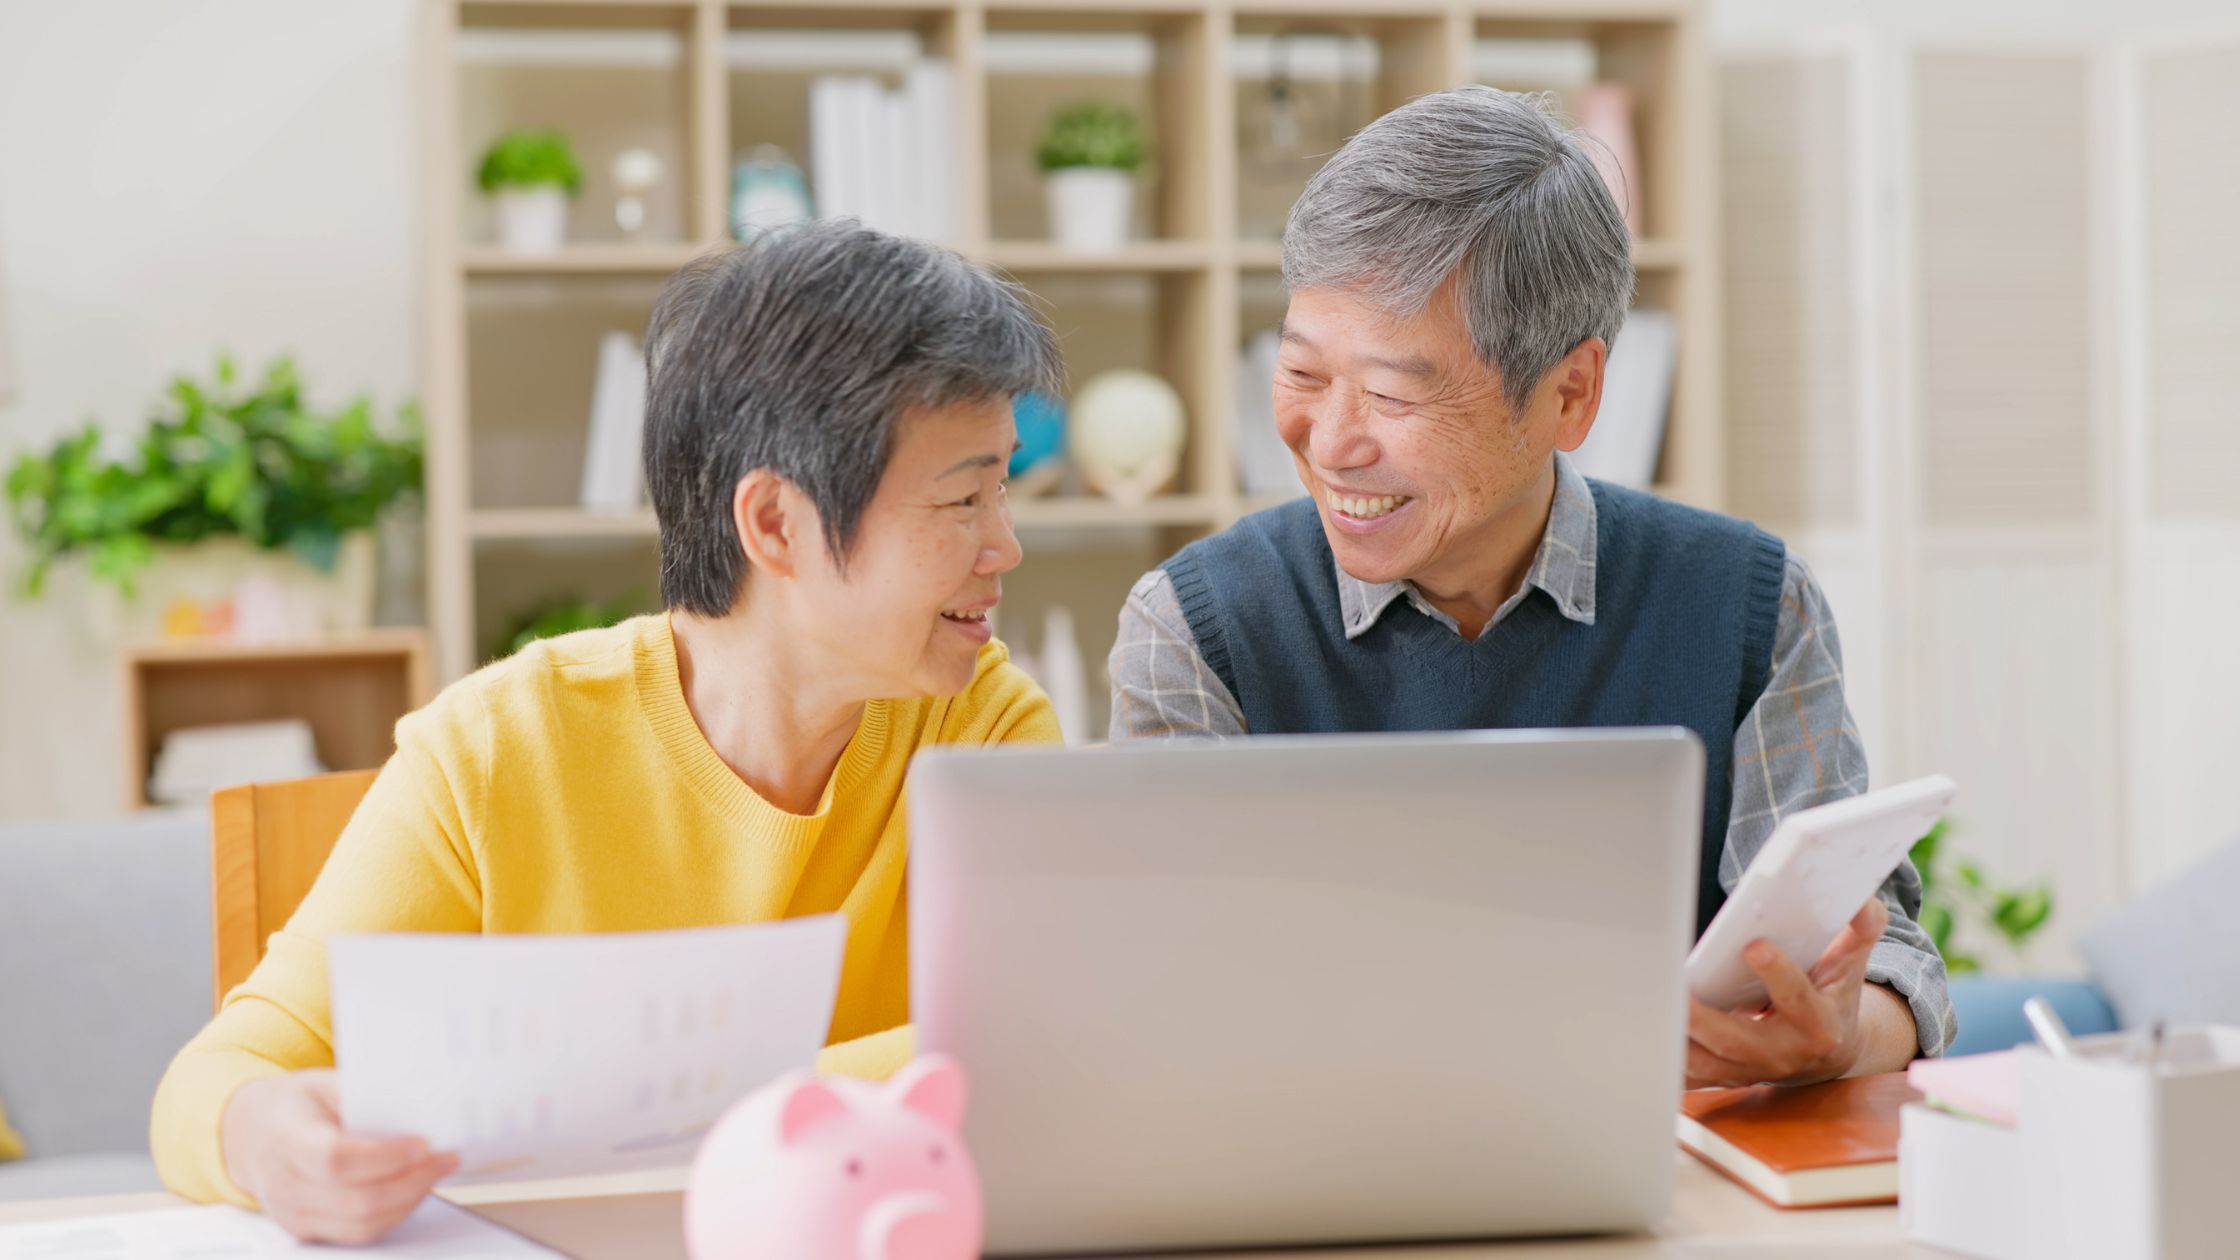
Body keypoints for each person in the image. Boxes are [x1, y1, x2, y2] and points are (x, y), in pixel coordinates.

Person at [150, 222, 1064, 1242]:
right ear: (772, 525)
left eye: (1003, 490)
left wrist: (640, 1109)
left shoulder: (983, 732)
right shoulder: (500, 750)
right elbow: (218, 1077)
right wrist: (266, 1138)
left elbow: (1038, 1043)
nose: (1005, 545)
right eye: (961, 497)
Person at [1109, 86, 1954, 1089]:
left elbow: (1883, 946)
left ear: (1570, 392)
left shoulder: (1748, 608)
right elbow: (1158, 997)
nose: (1330, 442)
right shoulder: (1194, 630)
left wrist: (1846, 1033)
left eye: (1389, 394)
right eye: (1300, 375)